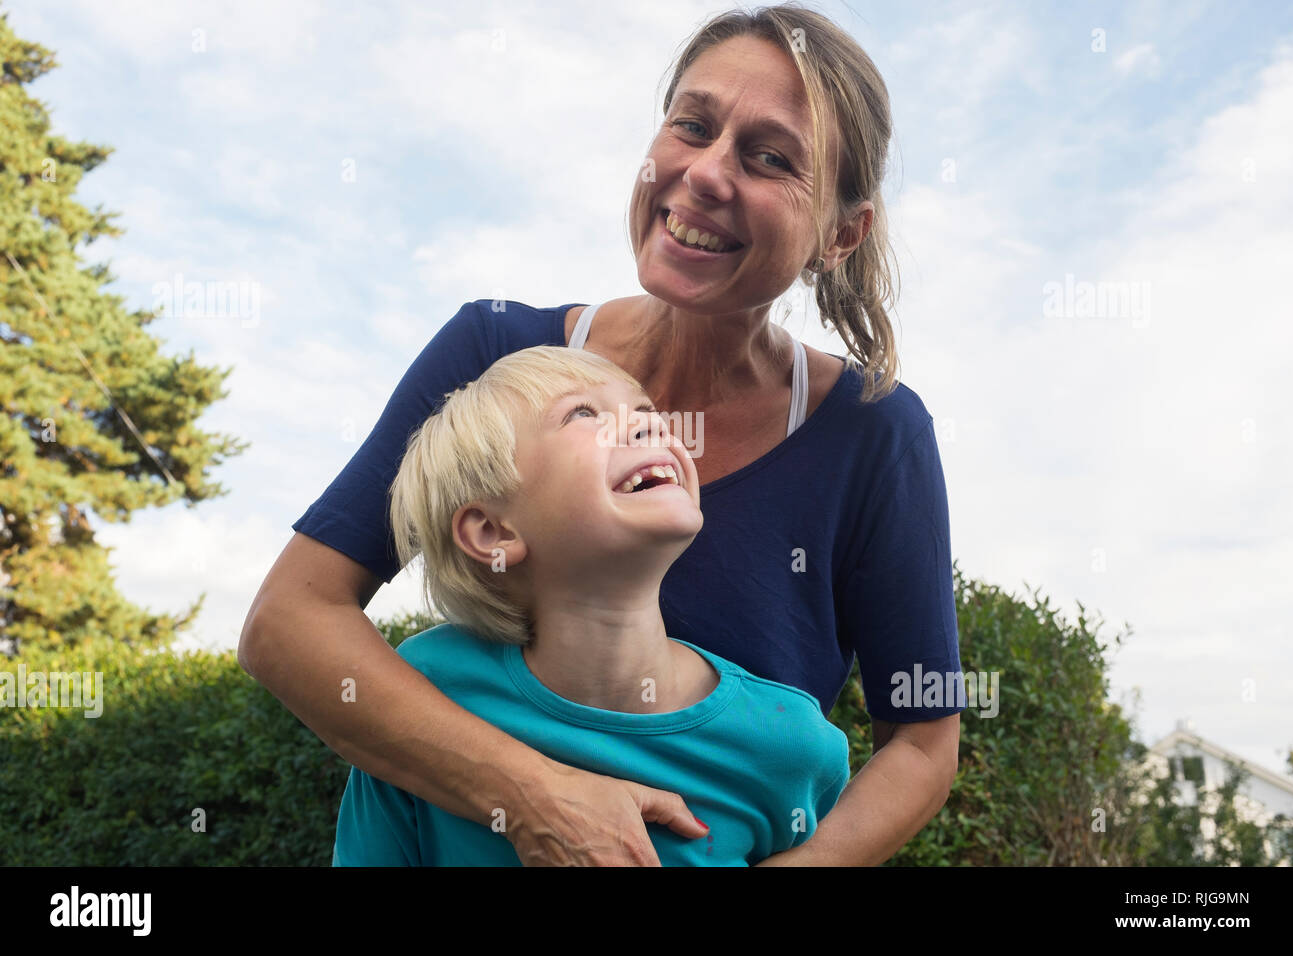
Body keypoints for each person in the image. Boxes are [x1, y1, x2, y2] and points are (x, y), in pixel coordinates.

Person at [240, 3, 965, 866]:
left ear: (841, 233)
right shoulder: (495, 351)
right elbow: (292, 618)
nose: (704, 173)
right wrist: (532, 798)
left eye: (768, 158)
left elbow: (922, 744)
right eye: (691, 126)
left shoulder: (875, 433)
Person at [332, 346, 851, 866]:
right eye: (582, 414)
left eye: (648, 415)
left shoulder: (793, 745)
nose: (650, 428)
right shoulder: (422, 689)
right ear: (492, 531)